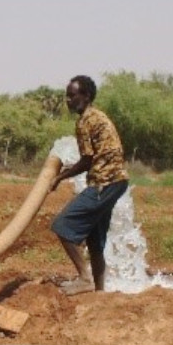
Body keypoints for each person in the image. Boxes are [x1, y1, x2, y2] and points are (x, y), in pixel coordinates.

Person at [49, 75, 129, 295]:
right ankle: (100, 292)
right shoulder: (99, 116)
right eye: (67, 96)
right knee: (95, 242)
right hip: (117, 181)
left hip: (105, 182)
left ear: (86, 96)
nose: (68, 100)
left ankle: (85, 279)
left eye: (72, 95)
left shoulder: (85, 120)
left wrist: (59, 177)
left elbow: (87, 161)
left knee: (62, 226)